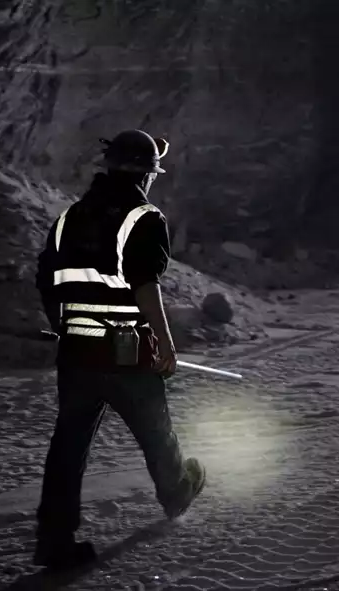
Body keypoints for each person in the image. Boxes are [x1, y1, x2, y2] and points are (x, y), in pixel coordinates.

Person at [32, 129, 206, 571]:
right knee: (155, 430)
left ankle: (54, 541)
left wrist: (65, 326)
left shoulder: (70, 217)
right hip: (125, 352)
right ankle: (176, 493)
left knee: (68, 445)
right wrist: (165, 342)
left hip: (76, 352)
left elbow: (47, 280)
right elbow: (145, 284)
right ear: (147, 175)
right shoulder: (143, 217)